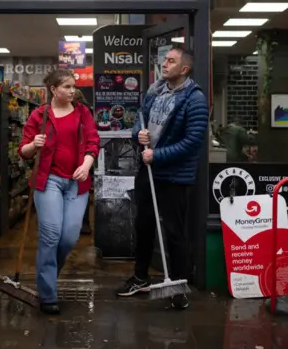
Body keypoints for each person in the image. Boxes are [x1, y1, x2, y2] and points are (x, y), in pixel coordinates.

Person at [115, 47, 209, 310]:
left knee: (174, 232)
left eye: (171, 61)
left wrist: (157, 154)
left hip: (174, 175)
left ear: (184, 69)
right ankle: (141, 278)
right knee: (143, 226)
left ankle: (179, 287)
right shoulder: (154, 91)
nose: (164, 65)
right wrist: (138, 136)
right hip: (147, 171)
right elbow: (139, 122)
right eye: (164, 60)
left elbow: (192, 142)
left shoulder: (195, 99)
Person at [18, 69, 100, 315]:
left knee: (68, 237)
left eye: (73, 86)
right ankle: (48, 293)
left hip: (77, 181)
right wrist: (34, 145)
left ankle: (49, 271)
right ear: (53, 90)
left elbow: (94, 142)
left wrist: (86, 165)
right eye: (66, 87)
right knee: (51, 235)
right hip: (49, 181)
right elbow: (24, 150)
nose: (72, 90)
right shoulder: (39, 115)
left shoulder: (83, 113)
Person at [73, 89, 94, 235]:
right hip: (87, 156)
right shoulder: (90, 112)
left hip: (80, 156)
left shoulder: (82, 112)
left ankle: (78, 223)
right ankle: (84, 224)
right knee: (82, 190)